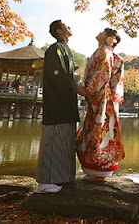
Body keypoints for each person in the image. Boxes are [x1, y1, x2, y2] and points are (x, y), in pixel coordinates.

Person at [35, 20, 86, 193]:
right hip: (57, 104)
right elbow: (57, 74)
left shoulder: (65, 49)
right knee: (54, 138)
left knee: (64, 139)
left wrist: (75, 80)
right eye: (65, 25)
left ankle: (62, 177)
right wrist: (77, 87)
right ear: (59, 31)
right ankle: (45, 181)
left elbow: (66, 74)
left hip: (66, 102)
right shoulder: (54, 49)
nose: (69, 26)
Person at [76, 28, 125, 180]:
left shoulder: (104, 52)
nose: (99, 32)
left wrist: (83, 90)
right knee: (106, 132)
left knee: (97, 133)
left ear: (110, 37)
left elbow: (100, 75)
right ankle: (102, 170)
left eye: (103, 31)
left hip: (101, 98)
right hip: (106, 98)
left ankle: (97, 169)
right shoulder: (110, 53)